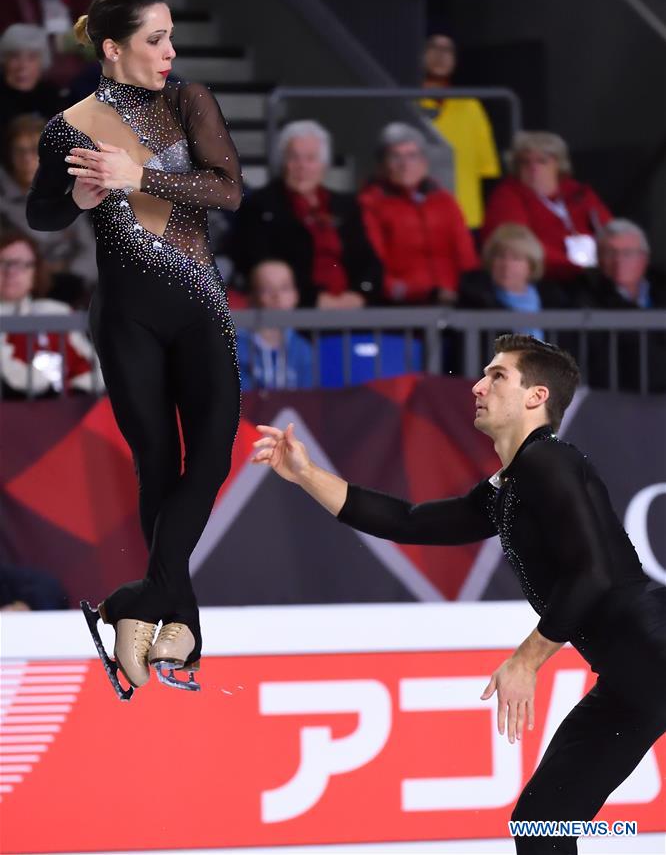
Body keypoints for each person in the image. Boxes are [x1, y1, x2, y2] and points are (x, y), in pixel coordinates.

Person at [252, 334, 665, 854]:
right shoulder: (510, 485)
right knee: (542, 822)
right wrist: (306, 475)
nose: (477, 386)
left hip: (655, 652)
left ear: (536, 396)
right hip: (633, 680)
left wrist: (525, 661)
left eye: (497, 376)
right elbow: (409, 521)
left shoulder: (549, 461)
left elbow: (592, 574)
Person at [26, 0, 242, 697]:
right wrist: (81, 196)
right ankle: (181, 627)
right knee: (157, 464)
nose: (171, 52)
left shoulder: (189, 100)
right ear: (114, 48)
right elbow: (44, 212)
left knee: (210, 455)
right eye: (157, 40)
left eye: (173, 37)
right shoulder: (69, 126)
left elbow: (229, 189)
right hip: (126, 318)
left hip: (199, 307)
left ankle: (133, 606)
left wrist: (140, 174)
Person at [231, 119, 383, 308]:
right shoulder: (259, 206)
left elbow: (368, 261)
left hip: (352, 306)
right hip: (292, 310)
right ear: (282, 162)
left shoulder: (346, 205)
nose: (302, 166)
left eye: (310, 158)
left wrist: (360, 294)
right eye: (293, 158)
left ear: (323, 165)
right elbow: (257, 266)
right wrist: (314, 300)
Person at [359, 122, 478, 304]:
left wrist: (468, 293)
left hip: (453, 302)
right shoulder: (369, 204)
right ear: (382, 165)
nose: (405, 164)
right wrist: (421, 293)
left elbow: (467, 258)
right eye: (395, 156)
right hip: (402, 306)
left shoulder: (445, 201)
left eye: (412, 156)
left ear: (424, 162)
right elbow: (375, 271)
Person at [482, 131, 612, 281]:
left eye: (541, 161)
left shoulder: (580, 192)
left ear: (559, 164)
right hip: (543, 279)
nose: (533, 167)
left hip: (595, 274)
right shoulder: (507, 196)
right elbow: (517, 247)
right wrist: (577, 267)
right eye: (525, 162)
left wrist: (608, 260)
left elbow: (611, 232)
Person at [1, 113, 96, 302]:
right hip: (12, 284)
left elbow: (89, 251)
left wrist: (64, 273)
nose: (27, 158)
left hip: (68, 286)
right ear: (9, 154)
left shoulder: (70, 189)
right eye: (19, 151)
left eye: (34, 150)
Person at [419, 22, 501, 229]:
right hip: (420, 219)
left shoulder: (470, 105)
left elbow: (487, 170)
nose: (441, 55)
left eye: (448, 50)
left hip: (466, 219)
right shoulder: (405, 102)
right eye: (433, 47)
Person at [569, 218, 666, 392]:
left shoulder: (661, 288)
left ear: (644, 258)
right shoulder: (585, 297)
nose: (619, 260)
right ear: (599, 259)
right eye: (610, 253)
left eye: (627, 253)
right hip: (618, 398)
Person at [0, 230, 101, 396]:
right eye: (4, 263)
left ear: (35, 272)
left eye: (24, 264)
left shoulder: (56, 312)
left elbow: (93, 368)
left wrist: (78, 392)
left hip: (67, 413)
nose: (12, 272)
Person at [458, 223, 570, 339]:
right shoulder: (476, 300)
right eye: (500, 256)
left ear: (531, 265)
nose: (506, 265)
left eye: (516, 258)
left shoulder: (554, 299)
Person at [236, 259, 313, 391]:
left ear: (296, 295)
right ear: (251, 297)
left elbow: (308, 401)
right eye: (266, 289)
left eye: (284, 288)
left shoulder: (303, 349)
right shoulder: (235, 346)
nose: (276, 296)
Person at [0, 23, 64, 126]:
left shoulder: (52, 95)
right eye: (15, 57)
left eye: (32, 57)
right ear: (4, 61)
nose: (23, 66)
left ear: (42, 62)